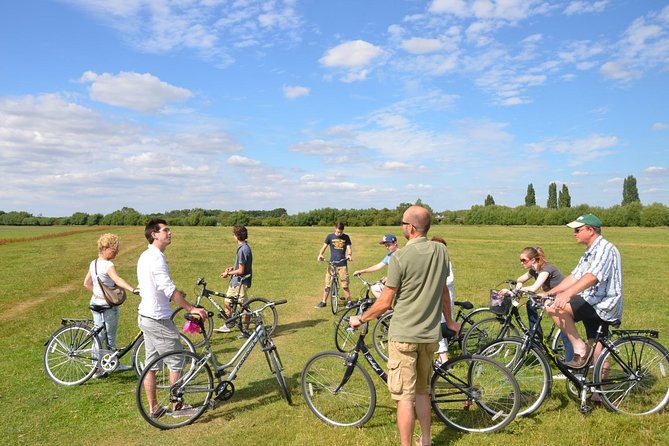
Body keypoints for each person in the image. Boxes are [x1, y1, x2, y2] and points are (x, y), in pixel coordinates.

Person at [349, 206, 459, 446]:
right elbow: (443, 291)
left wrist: (361, 318)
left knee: (404, 398)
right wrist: (449, 321)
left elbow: (385, 302)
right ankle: (426, 441)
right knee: (422, 392)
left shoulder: (399, 257)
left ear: (410, 227)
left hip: (404, 335)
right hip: (430, 336)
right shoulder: (441, 251)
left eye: (402, 223)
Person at [137, 219, 208, 418]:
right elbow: (167, 289)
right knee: (177, 360)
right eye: (165, 230)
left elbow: (153, 286)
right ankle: (178, 406)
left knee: (151, 363)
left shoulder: (145, 256)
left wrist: (177, 294)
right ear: (154, 234)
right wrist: (192, 308)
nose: (170, 233)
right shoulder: (156, 258)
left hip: (145, 316)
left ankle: (154, 408)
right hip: (158, 319)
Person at [544, 213, 623, 370]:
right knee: (599, 350)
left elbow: (592, 277)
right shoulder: (590, 251)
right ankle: (597, 393)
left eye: (578, 230)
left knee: (552, 306)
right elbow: (574, 277)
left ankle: (580, 348)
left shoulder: (605, 249)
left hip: (604, 303)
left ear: (591, 230)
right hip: (591, 299)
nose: (574, 233)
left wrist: (567, 294)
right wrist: (549, 293)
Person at [83, 233, 137, 375]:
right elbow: (117, 280)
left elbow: (86, 284)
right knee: (109, 336)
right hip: (108, 306)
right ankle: (113, 363)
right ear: (106, 248)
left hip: (95, 302)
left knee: (98, 336)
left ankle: (96, 367)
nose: (117, 252)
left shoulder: (93, 263)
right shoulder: (108, 265)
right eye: (115, 249)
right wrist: (133, 289)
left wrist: (98, 293)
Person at [515, 246, 573, 361]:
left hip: (565, 299)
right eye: (520, 260)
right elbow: (520, 279)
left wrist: (516, 291)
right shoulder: (533, 270)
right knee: (530, 303)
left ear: (533, 260)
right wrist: (518, 286)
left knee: (565, 332)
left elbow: (533, 288)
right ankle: (536, 333)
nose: (522, 263)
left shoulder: (546, 269)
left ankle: (570, 364)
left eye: (524, 260)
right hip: (553, 298)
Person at [214, 225, 253, 335]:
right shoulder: (243, 247)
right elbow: (241, 267)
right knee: (227, 301)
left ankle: (245, 331)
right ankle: (228, 324)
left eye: (234, 234)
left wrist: (228, 273)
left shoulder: (243, 250)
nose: (233, 236)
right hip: (235, 282)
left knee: (245, 307)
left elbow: (241, 271)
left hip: (240, 283)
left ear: (237, 236)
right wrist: (232, 268)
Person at [431, 236, 457, 364]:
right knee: (439, 329)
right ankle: (441, 359)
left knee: (438, 330)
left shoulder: (445, 262)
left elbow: (448, 281)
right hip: (438, 299)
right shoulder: (435, 261)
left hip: (443, 300)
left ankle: (445, 362)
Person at [315, 222, 352, 308]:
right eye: (338, 232)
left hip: (342, 264)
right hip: (332, 264)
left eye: (341, 232)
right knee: (327, 284)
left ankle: (349, 302)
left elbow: (349, 248)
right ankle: (323, 302)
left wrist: (349, 255)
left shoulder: (346, 237)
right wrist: (320, 254)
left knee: (345, 284)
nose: (340, 233)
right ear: (335, 228)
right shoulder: (330, 236)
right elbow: (324, 247)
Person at [352, 234, 398, 298]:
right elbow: (378, 266)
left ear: (395, 243)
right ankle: (388, 307)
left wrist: (389, 279)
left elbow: (402, 272)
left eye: (389, 245)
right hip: (392, 283)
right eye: (386, 246)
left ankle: (386, 306)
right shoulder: (389, 256)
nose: (387, 247)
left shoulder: (402, 254)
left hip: (401, 285)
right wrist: (361, 271)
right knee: (374, 288)